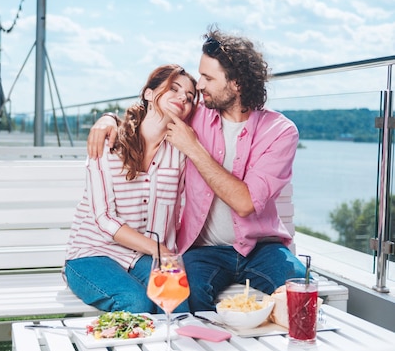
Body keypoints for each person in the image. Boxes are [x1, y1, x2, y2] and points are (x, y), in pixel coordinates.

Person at [88, 27, 306, 312]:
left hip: (261, 248)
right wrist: (108, 120)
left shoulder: (280, 132)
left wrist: (193, 148)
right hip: (203, 251)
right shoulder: (195, 113)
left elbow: (244, 203)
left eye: (208, 78)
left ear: (237, 84)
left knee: (300, 296)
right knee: (184, 302)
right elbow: (151, 109)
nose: (199, 86)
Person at [65, 64, 198, 313]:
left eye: (190, 97)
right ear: (148, 93)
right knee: (136, 301)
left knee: (177, 305)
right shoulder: (108, 143)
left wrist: (166, 258)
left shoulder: (181, 154)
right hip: (92, 253)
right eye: (174, 88)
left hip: (147, 256)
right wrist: (162, 252)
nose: (183, 98)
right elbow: (104, 219)